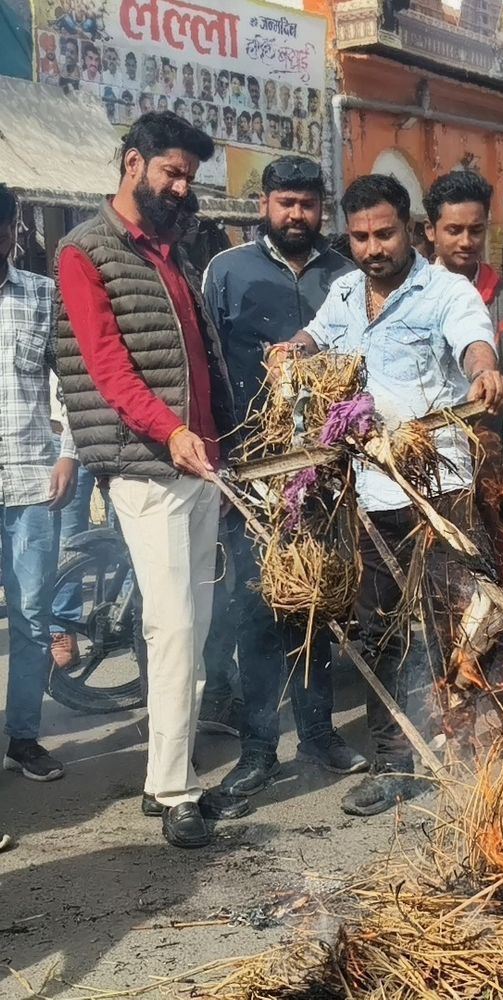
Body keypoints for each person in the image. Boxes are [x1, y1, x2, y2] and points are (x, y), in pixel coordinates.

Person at [267, 173, 503, 816]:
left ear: (412, 230)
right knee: (383, 631)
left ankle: (491, 756)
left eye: (385, 234)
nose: (373, 248)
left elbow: (473, 342)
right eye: (361, 237)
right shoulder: (346, 291)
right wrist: (290, 351)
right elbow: (314, 339)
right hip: (370, 494)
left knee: (466, 623)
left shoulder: (445, 290)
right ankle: (397, 762)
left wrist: (485, 370)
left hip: (439, 491)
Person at [54, 112, 250, 849]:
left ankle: (163, 770)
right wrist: (169, 432)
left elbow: (198, 359)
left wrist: (213, 438)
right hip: (148, 465)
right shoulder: (85, 251)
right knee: (175, 628)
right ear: (132, 164)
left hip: (197, 463)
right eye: (170, 172)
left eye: (187, 178)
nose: (179, 186)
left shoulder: (167, 251)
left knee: (191, 624)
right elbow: (107, 370)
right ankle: (173, 789)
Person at [202, 157, 360, 797]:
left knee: (316, 598)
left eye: (307, 203)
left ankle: (319, 732)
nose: (296, 214)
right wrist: (217, 459)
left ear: (323, 207)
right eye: (284, 202)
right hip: (253, 468)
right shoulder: (227, 271)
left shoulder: (346, 275)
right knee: (255, 604)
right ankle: (259, 748)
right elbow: (208, 364)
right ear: (262, 202)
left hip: (325, 469)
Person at [423, 170, 503, 637]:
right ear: (430, 231)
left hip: (500, 473)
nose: (466, 240)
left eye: (476, 229)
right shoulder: (410, 298)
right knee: (455, 609)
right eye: (454, 230)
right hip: (435, 479)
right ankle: (463, 706)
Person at [0, 184, 78, 783]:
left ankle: (23, 736)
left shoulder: (42, 297)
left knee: (30, 617)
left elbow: (74, 386)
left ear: (12, 233)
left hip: (31, 482)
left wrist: (69, 455)